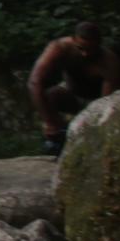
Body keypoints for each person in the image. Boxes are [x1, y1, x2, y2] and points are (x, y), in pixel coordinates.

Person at [30, 20, 110, 152]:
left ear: (99, 44)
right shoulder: (59, 47)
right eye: (81, 49)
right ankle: (56, 139)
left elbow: (107, 102)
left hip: (95, 103)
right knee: (51, 95)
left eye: (91, 50)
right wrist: (50, 121)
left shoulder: (108, 61)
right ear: (73, 40)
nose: (85, 54)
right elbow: (35, 82)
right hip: (71, 95)